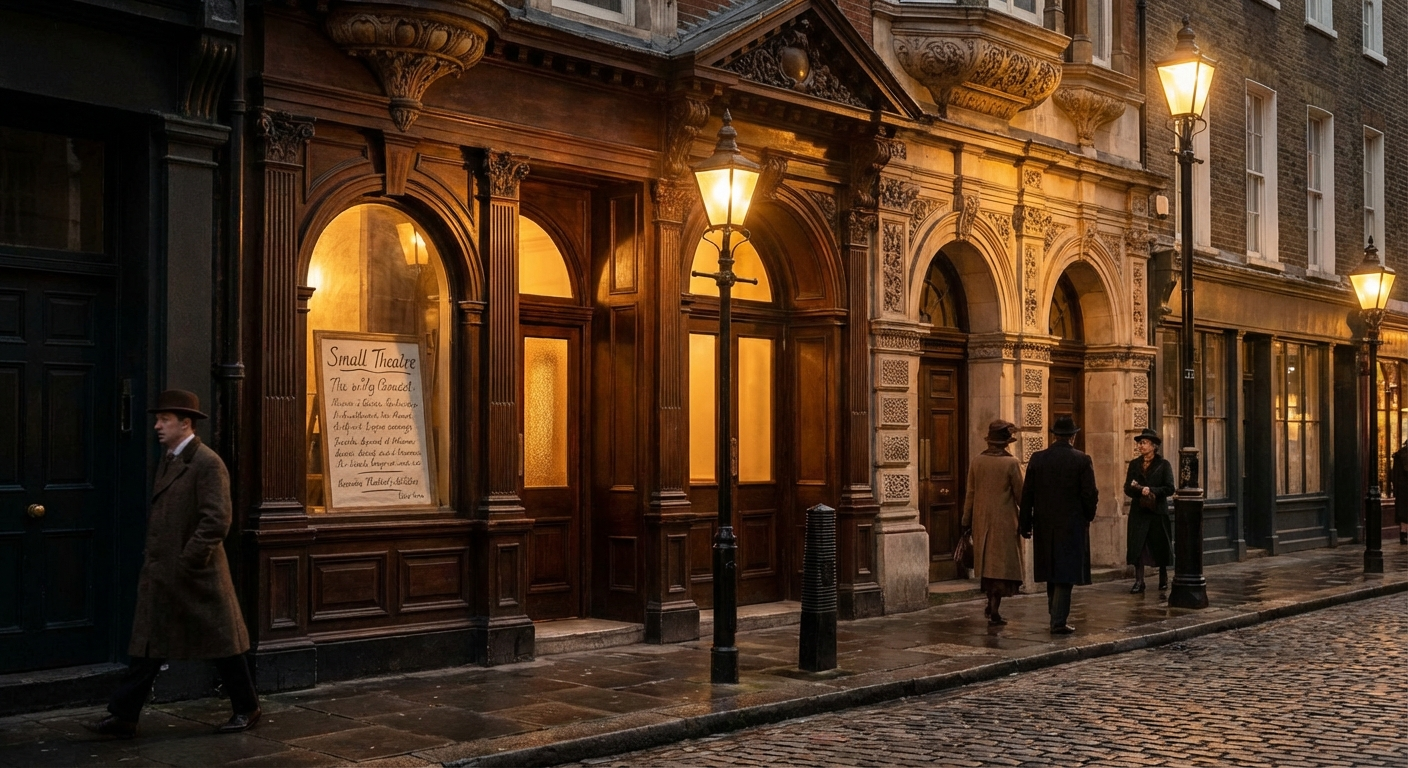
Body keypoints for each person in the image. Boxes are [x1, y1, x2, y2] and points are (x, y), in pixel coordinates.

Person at [85, 390, 260, 738]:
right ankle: (124, 715)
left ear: (186, 423)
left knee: (224, 645)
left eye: (164, 420)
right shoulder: (170, 458)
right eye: (157, 419)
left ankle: (247, 707)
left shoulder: (207, 463)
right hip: (164, 574)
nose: (157, 426)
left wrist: (187, 561)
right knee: (147, 645)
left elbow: (216, 521)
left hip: (197, 575)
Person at [1019, 415, 1098, 635]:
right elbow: (1089, 494)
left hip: (1045, 523)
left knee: (1053, 570)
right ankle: (1058, 620)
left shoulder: (1038, 458)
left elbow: (1028, 495)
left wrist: (1025, 523)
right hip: (1071, 524)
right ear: (1073, 436)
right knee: (1066, 573)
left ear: (1055, 436)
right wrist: (1088, 516)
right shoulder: (1082, 460)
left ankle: (1055, 615)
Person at [961, 419, 1025, 626]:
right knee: (1000, 566)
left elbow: (970, 493)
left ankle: (991, 603)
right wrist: (1028, 518)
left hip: (981, 520)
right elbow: (1020, 495)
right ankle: (995, 608)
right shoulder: (1012, 463)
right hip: (1005, 521)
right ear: (1006, 443)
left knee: (988, 565)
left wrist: (966, 520)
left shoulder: (977, 461)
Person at [1124, 428, 1174, 594]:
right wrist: (1139, 491)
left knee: (1159, 546)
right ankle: (1139, 581)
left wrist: (1151, 489)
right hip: (1139, 512)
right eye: (1140, 443)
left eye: (1144, 443)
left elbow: (1169, 488)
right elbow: (1127, 488)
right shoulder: (1134, 464)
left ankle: (1163, 578)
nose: (1141, 446)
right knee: (1138, 547)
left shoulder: (1163, 465)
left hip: (1157, 512)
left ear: (1153, 446)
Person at [1392, 439, 1408, 546]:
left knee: (1404, 513)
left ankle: (1403, 535)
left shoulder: (1398, 455)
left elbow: (1394, 475)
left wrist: (1395, 488)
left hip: (1402, 488)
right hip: (1404, 487)